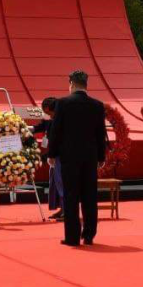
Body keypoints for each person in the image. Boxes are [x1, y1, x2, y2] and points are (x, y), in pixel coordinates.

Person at [46, 70, 106, 246]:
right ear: (86, 84)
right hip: (90, 157)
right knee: (89, 195)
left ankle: (72, 237)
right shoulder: (97, 105)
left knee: (71, 196)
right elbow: (100, 134)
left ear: (71, 83)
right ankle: (89, 235)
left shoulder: (63, 104)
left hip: (69, 157)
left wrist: (51, 154)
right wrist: (101, 156)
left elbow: (56, 131)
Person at [31, 97, 64, 219]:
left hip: (60, 157)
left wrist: (50, 155)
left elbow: (58, 141)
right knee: (55, 184)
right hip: (54, 156)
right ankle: (62, 209)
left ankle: (67, 210)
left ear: (47, 108)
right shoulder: (52, 119)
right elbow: (42, 126)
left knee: (62, 184)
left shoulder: (60, 120)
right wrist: (27, 129)